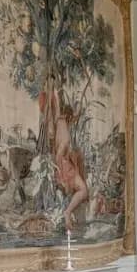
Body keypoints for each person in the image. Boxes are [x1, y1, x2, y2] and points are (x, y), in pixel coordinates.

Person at [43, 76, 88, 230]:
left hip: (65, 164)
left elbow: (69, 113)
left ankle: (69, 213)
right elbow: (58, 155)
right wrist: (61, 173)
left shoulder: (62, 123)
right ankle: (67, 212)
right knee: (83, 190)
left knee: (83, 190)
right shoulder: (61, 125)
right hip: (64, 166)